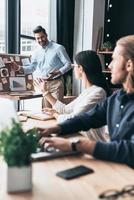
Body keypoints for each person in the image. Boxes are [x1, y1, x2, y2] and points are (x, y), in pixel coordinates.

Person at [37, 35, 134, 168]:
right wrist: (53, 129)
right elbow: (87, 119)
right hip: (119, 170)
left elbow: (130, 150)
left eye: (114, 60)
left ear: (129, 65)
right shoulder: (116, 99)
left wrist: (76, 145)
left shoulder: (100, 93)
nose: (110, 66)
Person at [35, 50, 111, 141]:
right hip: (80, 137)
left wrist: (56, 114)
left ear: (80, 68)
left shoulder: (98, 92)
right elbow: (66, 109)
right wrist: (45, 92)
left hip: (91, 142)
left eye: (74, 66)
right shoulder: (88, 91)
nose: (73, 68)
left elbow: (73, 119)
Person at [11, 25, 71, 107]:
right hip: (43, 85)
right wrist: (18, 68)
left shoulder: (58, 48)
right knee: (46, 112)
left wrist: (59, 71)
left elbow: (68, 64)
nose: (40, 40)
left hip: (56, 84)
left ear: (46, 35)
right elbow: (32, 68)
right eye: (37, 38)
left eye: (42, 37)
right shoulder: (36, 52)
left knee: (57, 109)